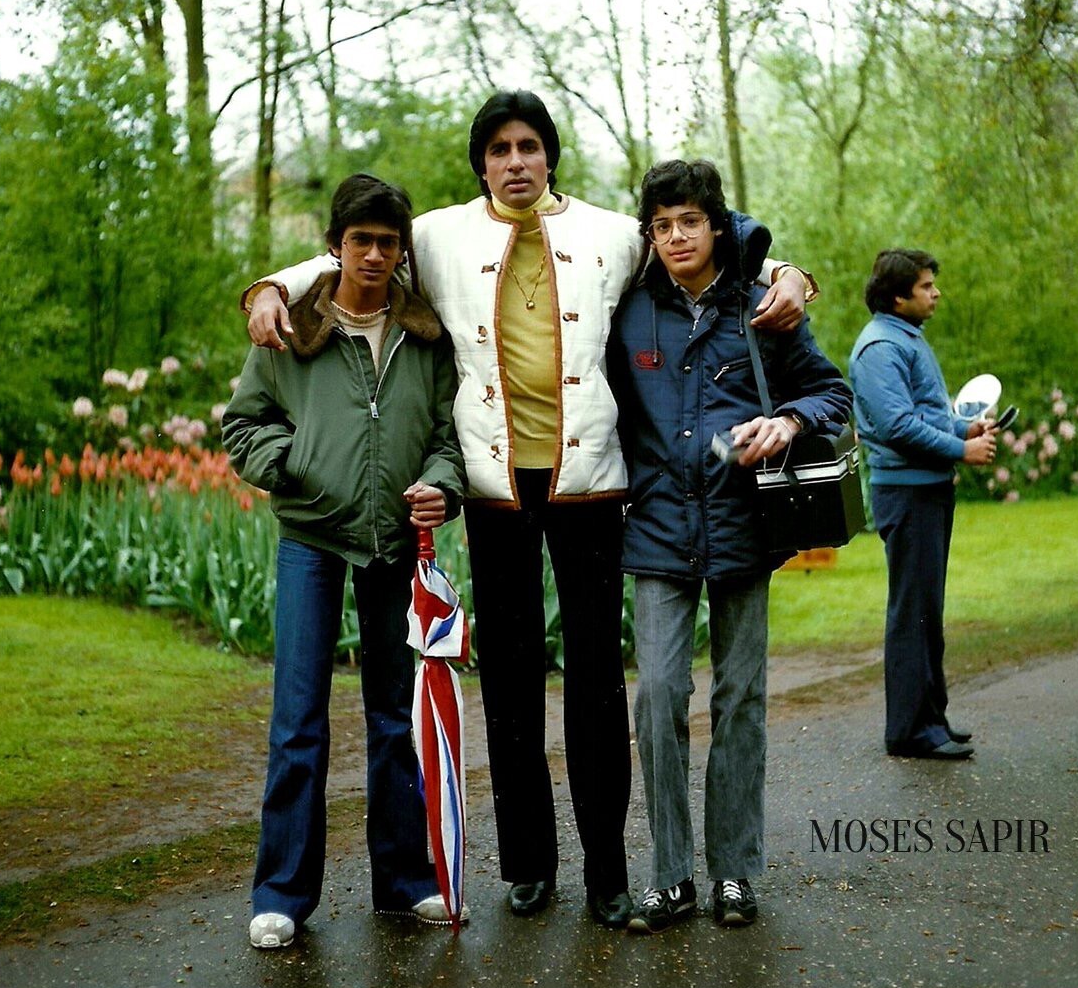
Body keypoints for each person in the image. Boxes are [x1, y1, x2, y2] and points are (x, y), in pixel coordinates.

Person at [240, 90, 818, 928]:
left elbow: (714, 239)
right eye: (500, 148)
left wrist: (788, 273)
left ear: (550, 157)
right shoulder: (436, 234)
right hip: (492, 485)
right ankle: (528, 865)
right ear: (481, 161)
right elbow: (346, 258)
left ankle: (608, 873)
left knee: (592, 683)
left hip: (591, 481)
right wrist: (269, 284)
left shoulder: (616, 233)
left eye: (530, 147)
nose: (515, 161)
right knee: (509, 682)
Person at [606, 160, 852, 934]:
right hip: (654, 530)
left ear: (716, 226)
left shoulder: (763, 308)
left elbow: (830, 390)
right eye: (661, 225)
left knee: (740, 700)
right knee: (657, 698)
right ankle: (671, 877)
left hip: (745, 529)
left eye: (689, 221)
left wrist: (786, 421)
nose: (675, 236)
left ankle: (735, 874)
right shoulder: (627, 310)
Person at [222, 174, 467, 949]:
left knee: (396, 721)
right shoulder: (289, 332)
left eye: (386, 242)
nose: (372, 253)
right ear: (334, 247)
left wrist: (442, 485)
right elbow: (243, 426)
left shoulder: (426, 339)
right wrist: (292, 464)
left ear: (400, 254)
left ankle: (406, 883)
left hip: (392, 547)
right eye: (359, 239)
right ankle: (282, 896)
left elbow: (445, 437)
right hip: (311, 543)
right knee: (298, 721)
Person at [848, 249, 996, 761]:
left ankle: (931, 719)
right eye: (927, 286)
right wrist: (963, 450)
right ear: (898, 296)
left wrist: (964, 428)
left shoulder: (906, 339)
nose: (935, 293)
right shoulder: (880, 349)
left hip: (926, 488)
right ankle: (909, 731)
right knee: (913, 611)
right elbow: (896, 427)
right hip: (906, 491)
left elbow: (926, 415)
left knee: (927, 610)